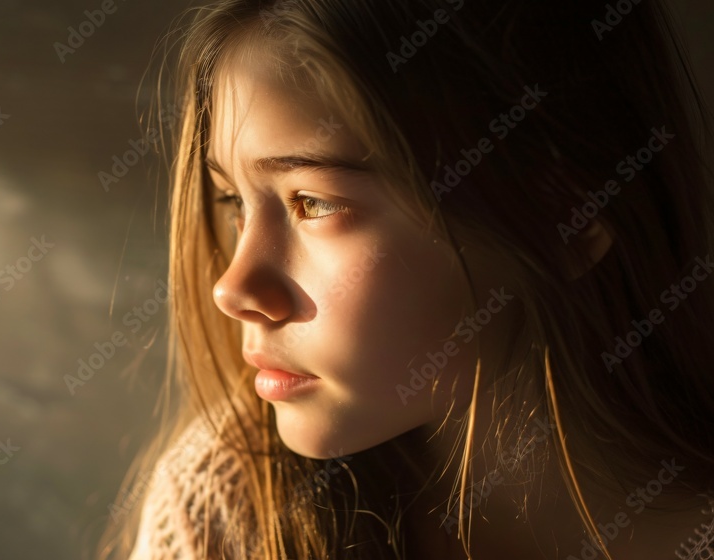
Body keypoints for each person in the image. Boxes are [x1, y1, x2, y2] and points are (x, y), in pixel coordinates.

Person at [99, 0, 714, 558]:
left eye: (312, 202)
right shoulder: (229, 513)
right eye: (233, 200)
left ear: (569, 219)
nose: (232, 289)